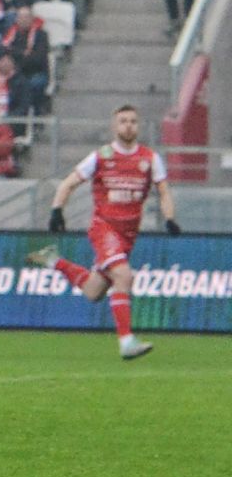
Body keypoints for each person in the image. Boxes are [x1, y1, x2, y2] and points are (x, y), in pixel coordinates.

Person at [28, 104, 179, 361]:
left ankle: (54, 260)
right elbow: (68, 183)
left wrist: (170, 219)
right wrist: (57, 210)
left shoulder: (150, 158)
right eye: (123, 121)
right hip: (104, 228)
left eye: (133, 121)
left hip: (127, 236)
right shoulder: (100, 157)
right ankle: (126, 341)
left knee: (93, 291)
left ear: (138, 126)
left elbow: (164, 191)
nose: (128, 126)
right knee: (124, 276)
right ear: (114, 126)